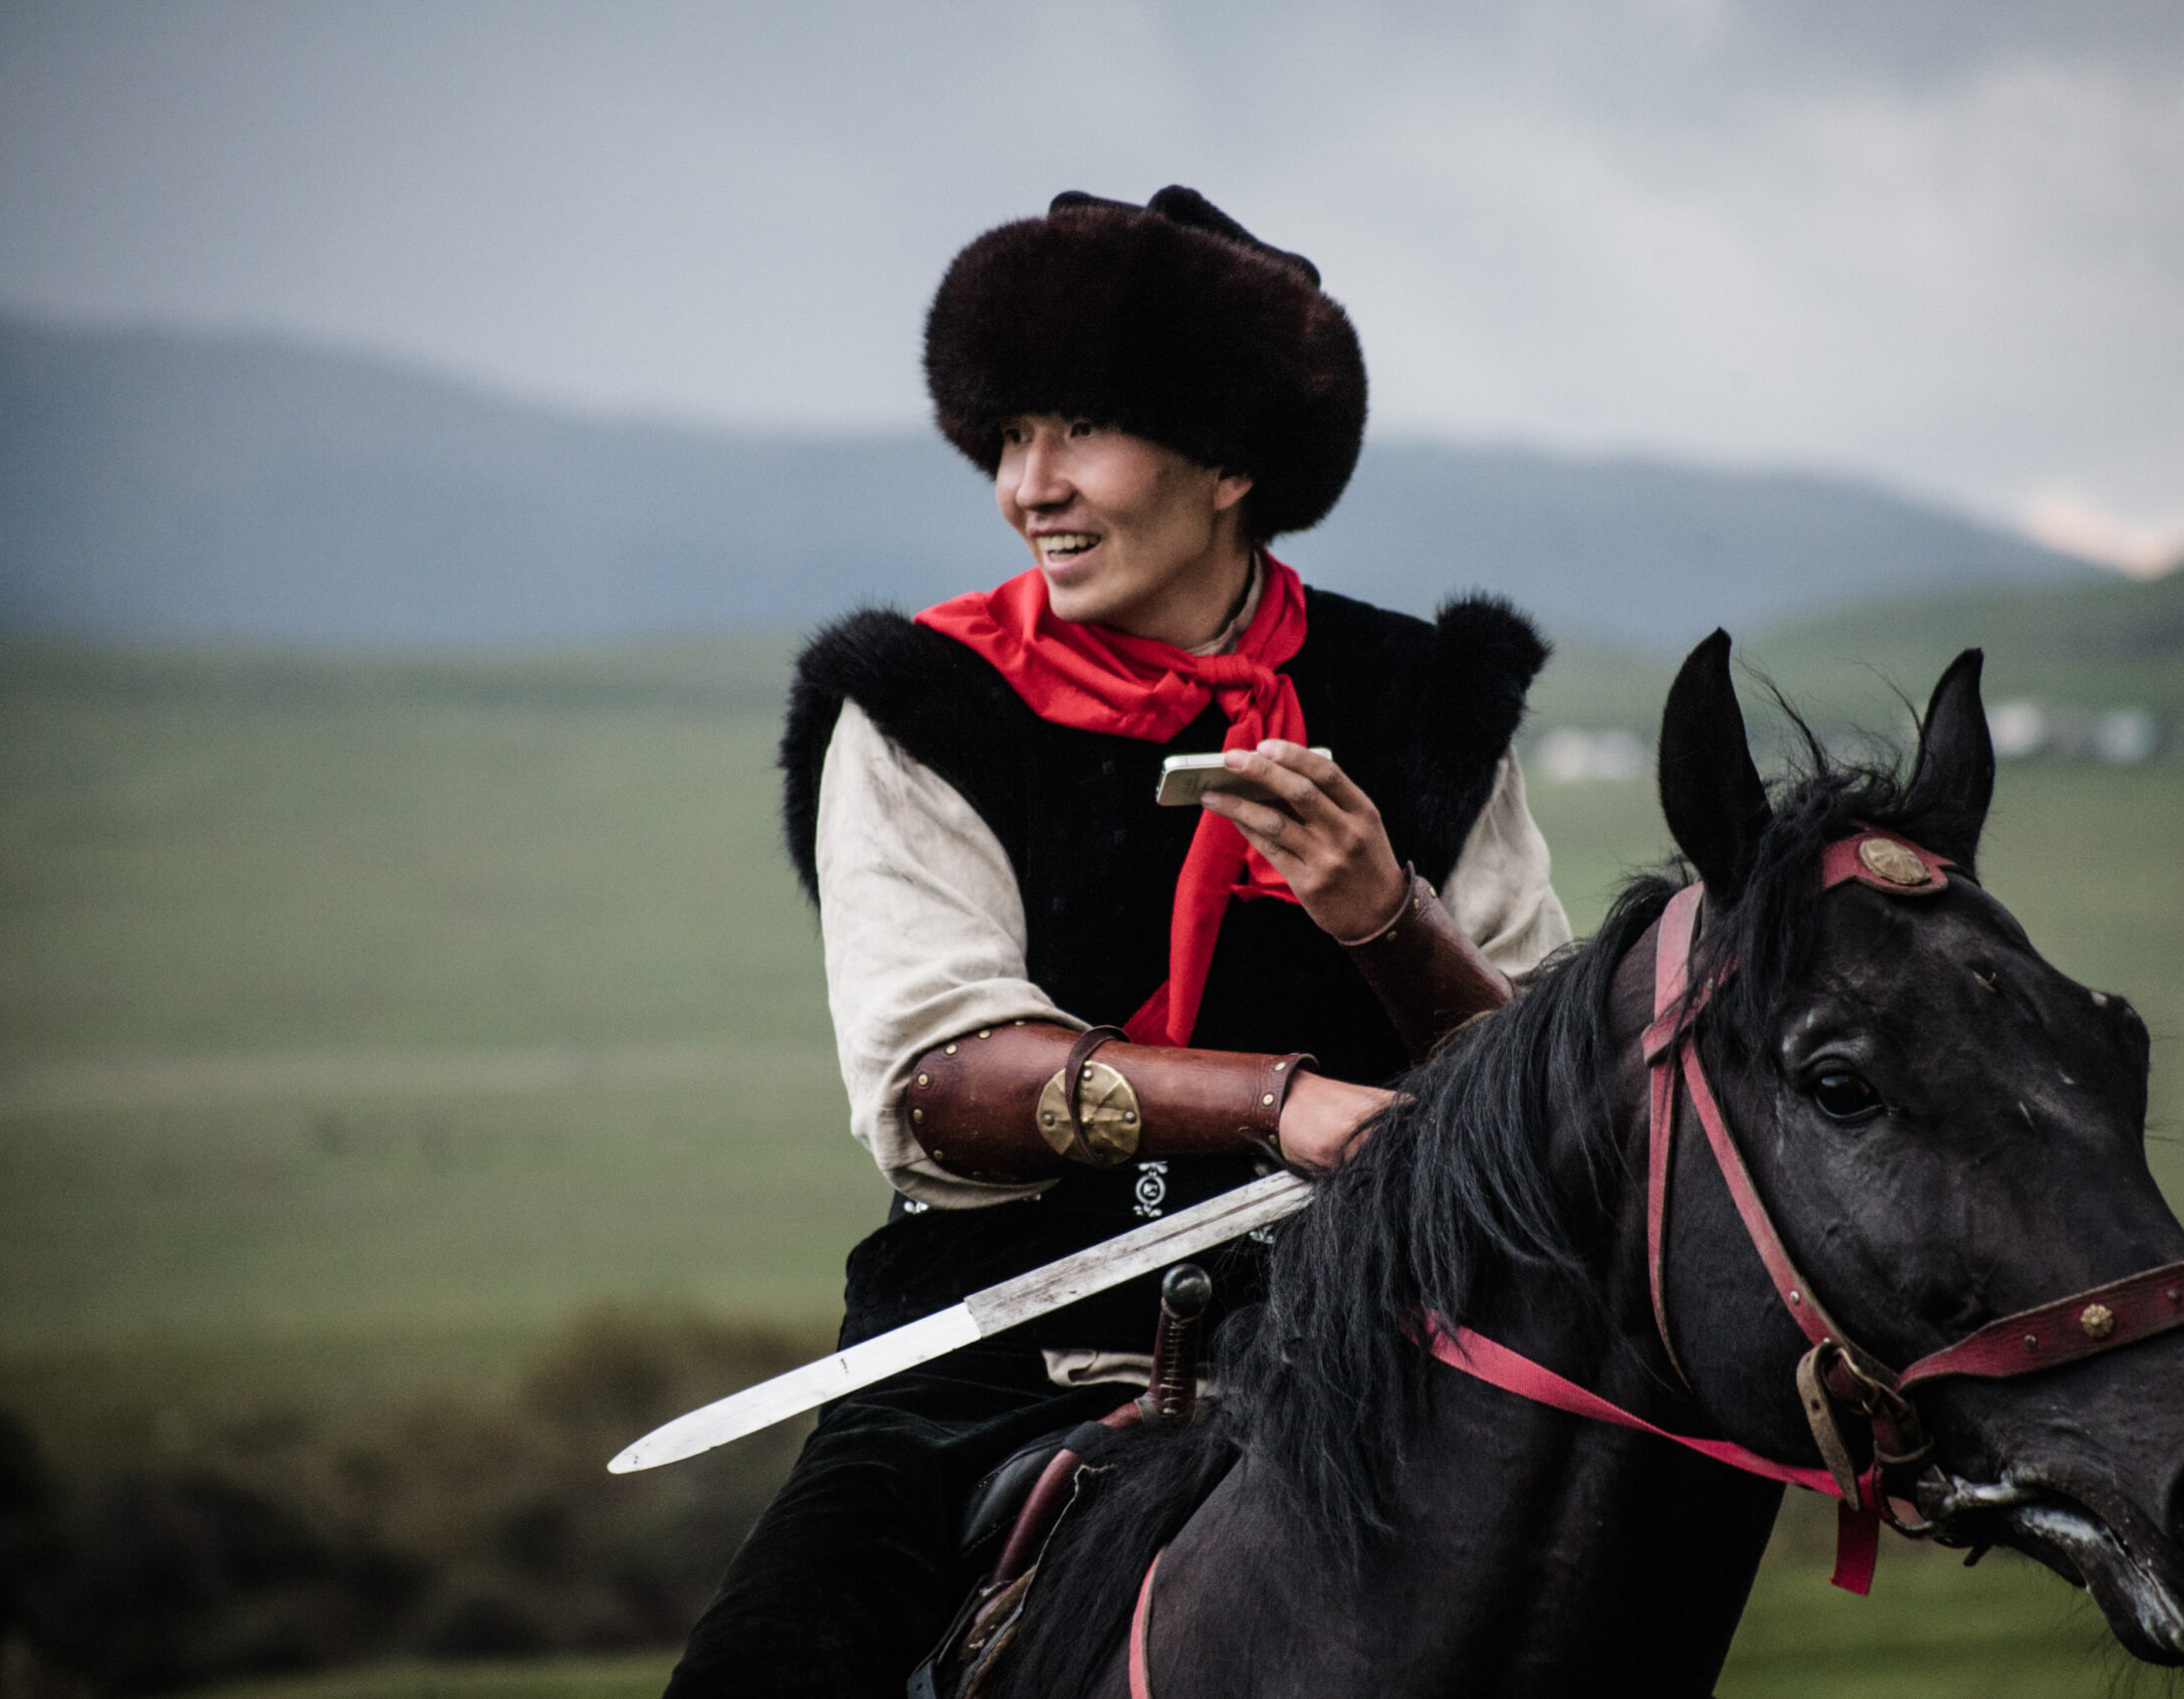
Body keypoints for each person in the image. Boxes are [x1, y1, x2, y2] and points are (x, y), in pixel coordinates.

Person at [664, 186, 1572, 1697]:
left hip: (1372, 1363)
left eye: (1077, 429)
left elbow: (1552, 1106)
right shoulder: (916, 703)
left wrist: (1383, 917)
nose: (1031, 486)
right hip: (983, 1366)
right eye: (1006, 437)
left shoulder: (1423, 704)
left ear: (1226, 460)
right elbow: (938, 1078)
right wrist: (1286, 1106)